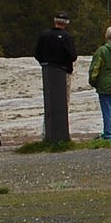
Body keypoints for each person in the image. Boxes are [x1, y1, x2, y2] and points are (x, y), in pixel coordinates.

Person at [34, 12, 77, 145]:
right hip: (63, 72)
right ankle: (62, 133)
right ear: (66, 24)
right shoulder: (66, 37)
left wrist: (45, 63)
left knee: (49, 103)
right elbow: (73, 56)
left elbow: (37, 53)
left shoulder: (44, 35)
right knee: (63, 103)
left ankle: (46, 133)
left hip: (48, 72)